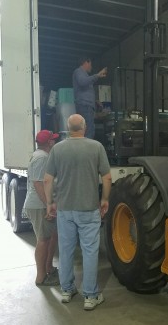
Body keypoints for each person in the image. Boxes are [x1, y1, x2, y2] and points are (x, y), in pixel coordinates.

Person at [43, 114, 112, 311]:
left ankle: (66, 290)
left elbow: (48, 179)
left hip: (65, 209)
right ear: (85, 126)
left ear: (67, 128)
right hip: (89, 209)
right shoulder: (96, 147)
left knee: (65, 250)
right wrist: (104, 199)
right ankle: (90, 296)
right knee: (90, 252)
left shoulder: (57, 149)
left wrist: (50, 202)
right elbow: (106, 177)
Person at [23, 130, 60, 286]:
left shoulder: (40, 155)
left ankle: (49, 268)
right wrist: (48, 205)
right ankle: (41, 277)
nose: (55, 142)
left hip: (40, 204)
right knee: (43, 240)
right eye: (54, 140)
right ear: (50, 143)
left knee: (51, 236)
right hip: (39, 206)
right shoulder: (42, 158)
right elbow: (39, 183)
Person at [72, 56, 107, 139]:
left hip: (86, 106)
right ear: (86, 62)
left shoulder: (85, 75)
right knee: (88, 132)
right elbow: (82, 82)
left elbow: (85, 90)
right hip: (85, 106)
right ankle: (88, 151)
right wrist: (97, 75)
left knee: (89, 130)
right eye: (90, 64)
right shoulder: (78, 71)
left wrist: (95, 101)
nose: (91, 66)